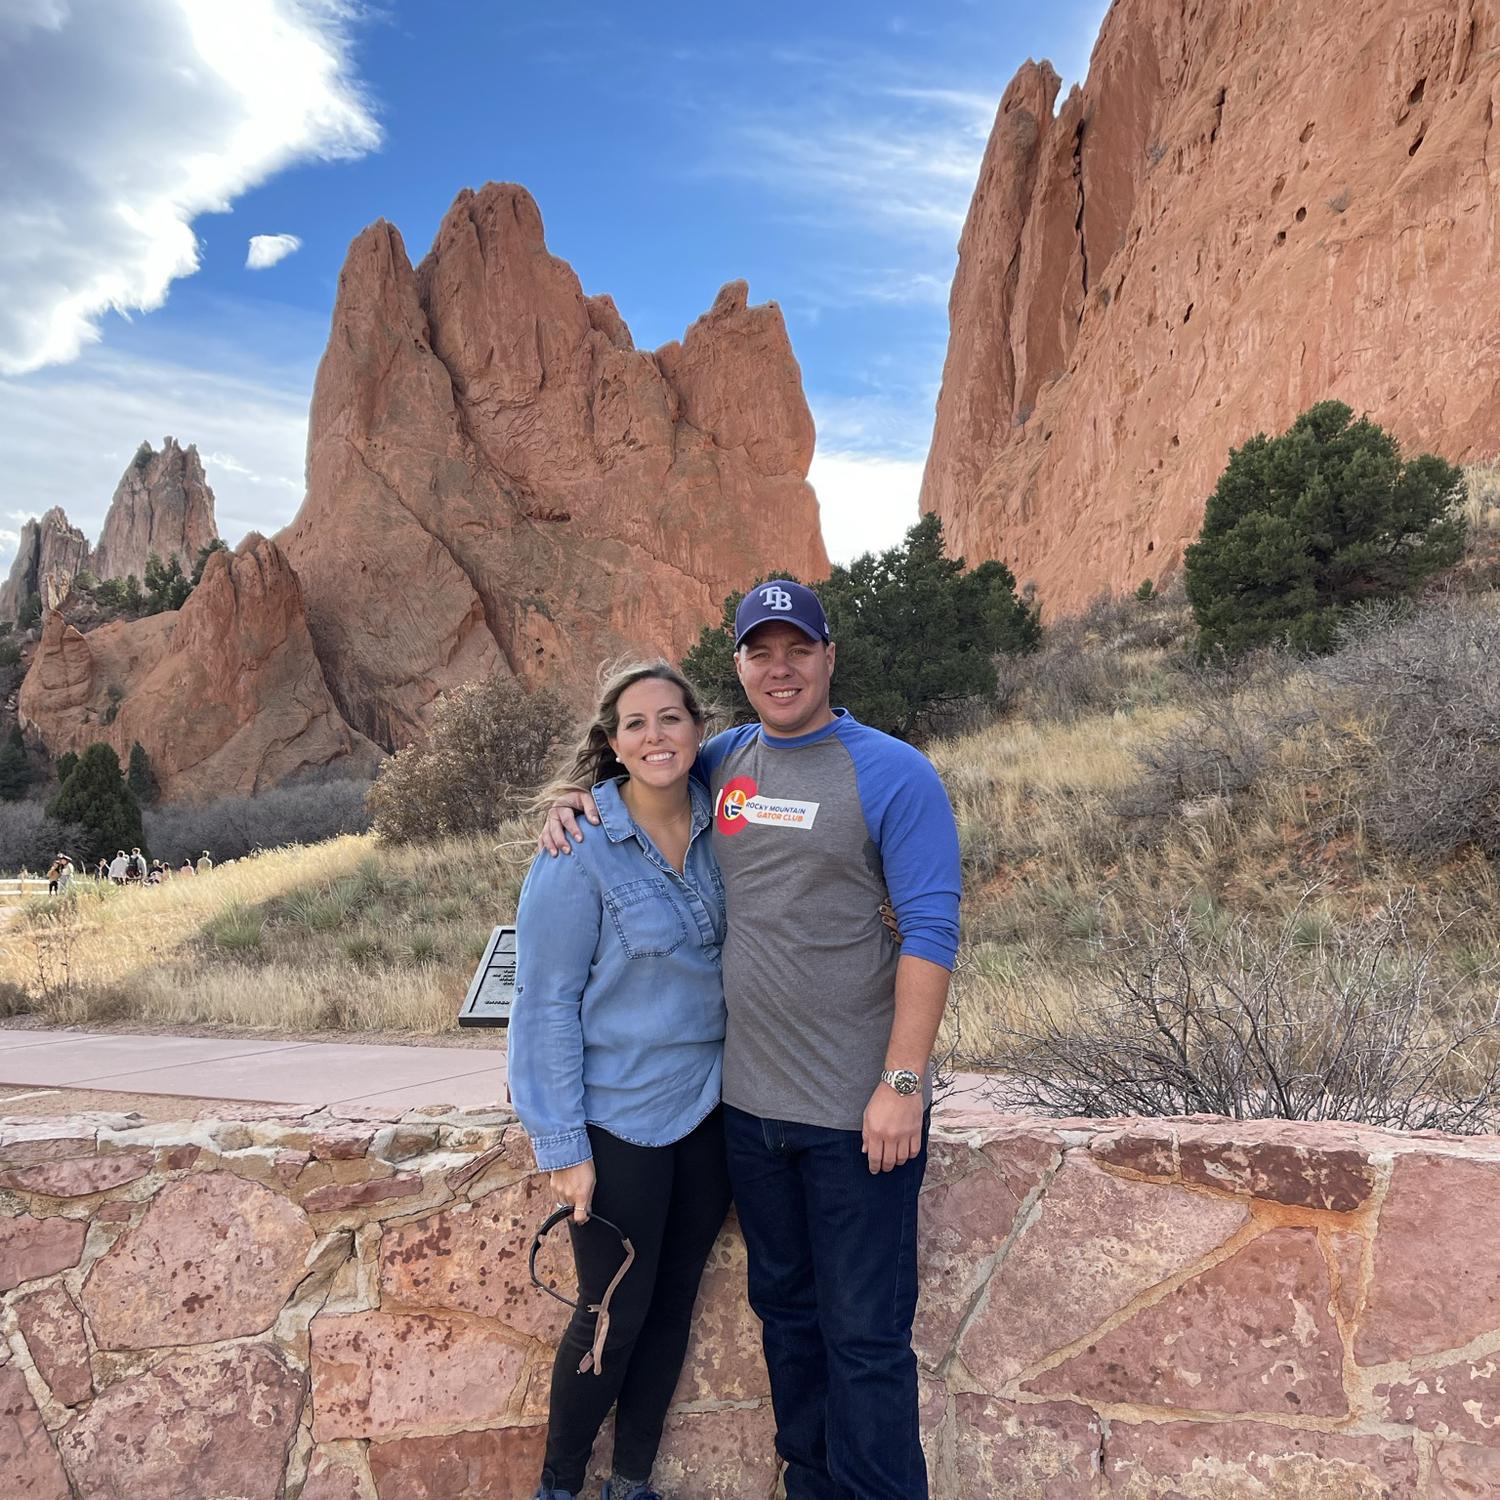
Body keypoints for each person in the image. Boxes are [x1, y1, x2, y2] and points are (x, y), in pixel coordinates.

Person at [544, 581, 961, 1500]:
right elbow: (642, 771)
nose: (781, 668)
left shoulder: (893, 773)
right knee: (788, 1323)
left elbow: (931, 930)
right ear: (737, 666)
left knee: (866, 1340)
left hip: (860, 1117)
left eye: (798, 649)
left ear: (828, 656)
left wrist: (903, 1080)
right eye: (760, 652)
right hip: (750, 1119)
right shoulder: (724, 759)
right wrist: (573, 802)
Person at [513, 661, 733, 1500]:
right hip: (620, 1120)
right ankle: (560, 1486)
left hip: (710, 1110)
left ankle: (631, 1483)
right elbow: (544, 1004)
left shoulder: (725, 820)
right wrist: (562, 1145)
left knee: (672, 1305)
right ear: (613, 743)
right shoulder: (579, 850)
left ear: (697, 729)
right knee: (611, 1312)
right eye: (635, 725)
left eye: (670, 719)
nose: (655, 737)